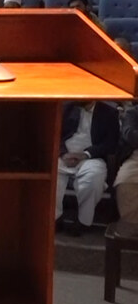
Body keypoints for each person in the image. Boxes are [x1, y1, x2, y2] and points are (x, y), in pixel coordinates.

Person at [57, 101, 118, 235]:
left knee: (92, 180)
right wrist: (63, 153)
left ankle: (83, 221)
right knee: (51, 177)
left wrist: (85, 154)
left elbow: (110, 143)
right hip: (65, 155)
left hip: (91, 157)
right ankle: (55, 218)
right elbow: (55, 134)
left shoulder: (109, 112)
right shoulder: (66, 108)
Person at [115, 103, 138, 224]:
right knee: (125, 182)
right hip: (135, 157)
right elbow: (129, 135)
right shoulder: (133, 112)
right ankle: (131, 227)